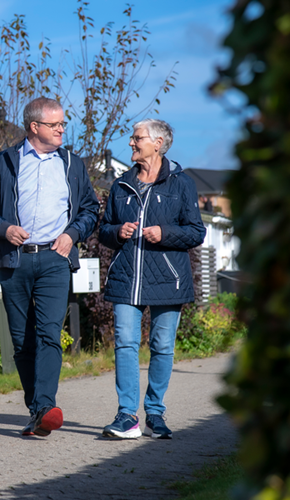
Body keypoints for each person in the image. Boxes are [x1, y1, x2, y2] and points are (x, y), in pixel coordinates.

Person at [0, 97, 99, 437]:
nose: (61, 129)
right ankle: (38, 411)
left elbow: (89, 209)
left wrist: (72, 235)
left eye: (62, 124)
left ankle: (45, 405)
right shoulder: (3, 163)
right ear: (34, 127)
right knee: (21, 342)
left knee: (48, 334)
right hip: (14, 260)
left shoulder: (72, 163)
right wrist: (3, 229)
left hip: (55, 259)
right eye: (54, 124)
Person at [98, 118, 205, 439]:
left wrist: (165, 233)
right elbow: (103, 231)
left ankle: (155, 415)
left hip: (167, 279)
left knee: (162, 347)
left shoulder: (181, 183)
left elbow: (196, 231)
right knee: (125, 346)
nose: (131, 142)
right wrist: (118, 231)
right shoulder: (120, 184)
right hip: (126, 278)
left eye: (137, 138)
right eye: (132, 138)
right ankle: (127, 416)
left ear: (158, 143)